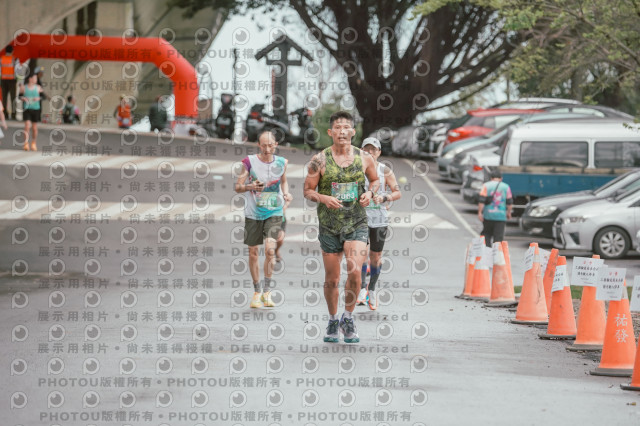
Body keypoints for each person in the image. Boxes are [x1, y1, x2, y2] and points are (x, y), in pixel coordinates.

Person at [303, 110, 379, 344]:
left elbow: (375, 180)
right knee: (332, 278)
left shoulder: (364, 158)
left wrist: (370, 193)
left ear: (353, 132)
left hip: (356, 222)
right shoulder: (319, 160)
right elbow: (307, 190)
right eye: (338, 128)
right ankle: (333, 319)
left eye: (346, 127)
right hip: (329, 226)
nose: (342, 132)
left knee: (355, 270)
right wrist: (323, 198)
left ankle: (348, 317)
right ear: (330, 132)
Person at [235, 130, 292, 308]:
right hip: (253, 212)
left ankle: (267, 292)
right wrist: (250, 186)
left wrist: (286, 193)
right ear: (258, 145)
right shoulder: (249, 162)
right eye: (264, 146)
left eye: (270, 145)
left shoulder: (282, 163)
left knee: (269, 250)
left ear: (276, 145)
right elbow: (237, 187)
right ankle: (257, 291)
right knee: (253, 252)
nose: (267, 149)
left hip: (274, 211)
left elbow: (283, 181)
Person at [356, 137, 402, 310]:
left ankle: (372, 289)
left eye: (373, 150)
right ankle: (362, 288)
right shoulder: (355, 170)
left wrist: (384, 198)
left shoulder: (385, 170)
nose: (369, 152)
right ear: (361, 151)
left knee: (376, 257)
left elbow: (397, 192)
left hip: (379, 219)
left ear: (379, 152)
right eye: (366, 149)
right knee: (360, 254)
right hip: (360, 218)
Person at [478, 169, 513, 247]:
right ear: (501, 178)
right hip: (501, 217)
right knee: (498, 238)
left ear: (491, 178)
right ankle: (496, 252)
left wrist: (480, 212)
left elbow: (481, 201)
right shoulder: (506, 187)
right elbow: (509, 202)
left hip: (488, 215)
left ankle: (487, 251)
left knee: (486, 234)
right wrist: (508, 212)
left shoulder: (486, 185)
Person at [19, 73, 44, 151]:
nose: (36, 80)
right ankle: (26, 143)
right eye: (34, 78)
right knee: (27, 126)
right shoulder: (23, 87)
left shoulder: (38, 87)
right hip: (27, 109)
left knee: (34, 128)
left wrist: (38, 98)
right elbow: (19, 96)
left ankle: (33, 142)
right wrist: (23, 98)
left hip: (36, 109)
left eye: (36, 78)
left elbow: (43, 96)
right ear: (30, 79)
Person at [1, 45, 17, 120]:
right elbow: (17, 71)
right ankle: (13, 115)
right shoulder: (14, 59)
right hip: (12, 81)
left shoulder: (1, 59)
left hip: (3, 80)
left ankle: (5, 114)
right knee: (13, 98)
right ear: (12, 51)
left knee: (4, 98)